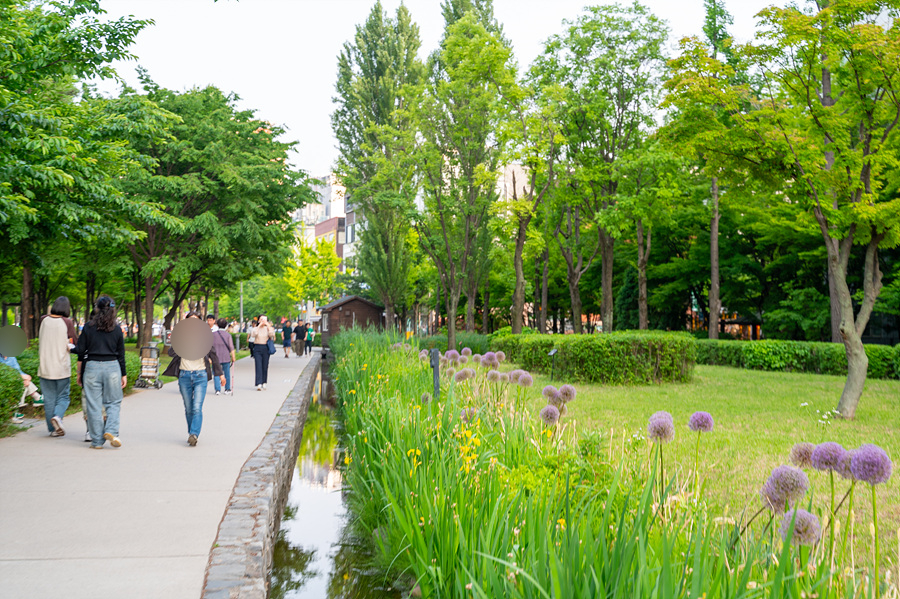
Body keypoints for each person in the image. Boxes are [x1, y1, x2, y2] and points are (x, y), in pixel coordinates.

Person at [162, 312, 225, 446]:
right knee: (188, 408)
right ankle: (192, 432)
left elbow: (214, 356)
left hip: (200, 375)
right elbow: (171, 352)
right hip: (184, 375)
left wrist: (221, 374)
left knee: (196, 407)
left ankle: (194, 434)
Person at [75, 295, 126, 449]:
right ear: (112, 310)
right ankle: (111, 430)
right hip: (112, 367)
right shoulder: (117, 329)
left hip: (92, 367)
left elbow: (80, 350)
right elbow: (121, 354)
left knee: (93, 405)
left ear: (97, 308)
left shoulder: (88, 327)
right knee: (114, 402)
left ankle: (97, 441)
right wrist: (123, 374)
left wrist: (69, 348)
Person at [38, 296, 78, 437]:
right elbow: (75, 342)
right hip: (61, 367)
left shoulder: (43, 319)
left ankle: (52, 429)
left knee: (49, 399)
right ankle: (58, 417)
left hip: (44, 367)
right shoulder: (67, 322)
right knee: (63, 397)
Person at [1, 352, 44, 424]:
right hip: (5, 381)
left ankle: (15, 412)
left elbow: (18, 370)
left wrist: (26, 378)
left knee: (25, 383)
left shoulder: (11, 357)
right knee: (22, 383)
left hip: (15, 380)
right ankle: (36, 397)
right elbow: (4, 372)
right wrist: (22, 377)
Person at [212, 318, 236, 396]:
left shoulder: (213, 335)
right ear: (226, 325)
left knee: (216, 373)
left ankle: (217, 389)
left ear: (217, 325)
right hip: (226, 357)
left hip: (216, 357)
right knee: (227, 373)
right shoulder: (228, 335)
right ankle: (227, 388)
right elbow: (231, 347)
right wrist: (233, 357)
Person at [251, 315, 275, 391]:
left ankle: (264, 382)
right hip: (257, 347)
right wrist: (259, 326)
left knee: (265, 365)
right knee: (258, 365)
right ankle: (259, 383)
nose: (263, 321)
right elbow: (253, 335)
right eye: (261, 319)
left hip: (265, 347)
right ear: (258, 320)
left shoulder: (268, 328)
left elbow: (272, 335)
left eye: (264, 320)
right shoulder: (255, 328)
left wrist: (268, 326)